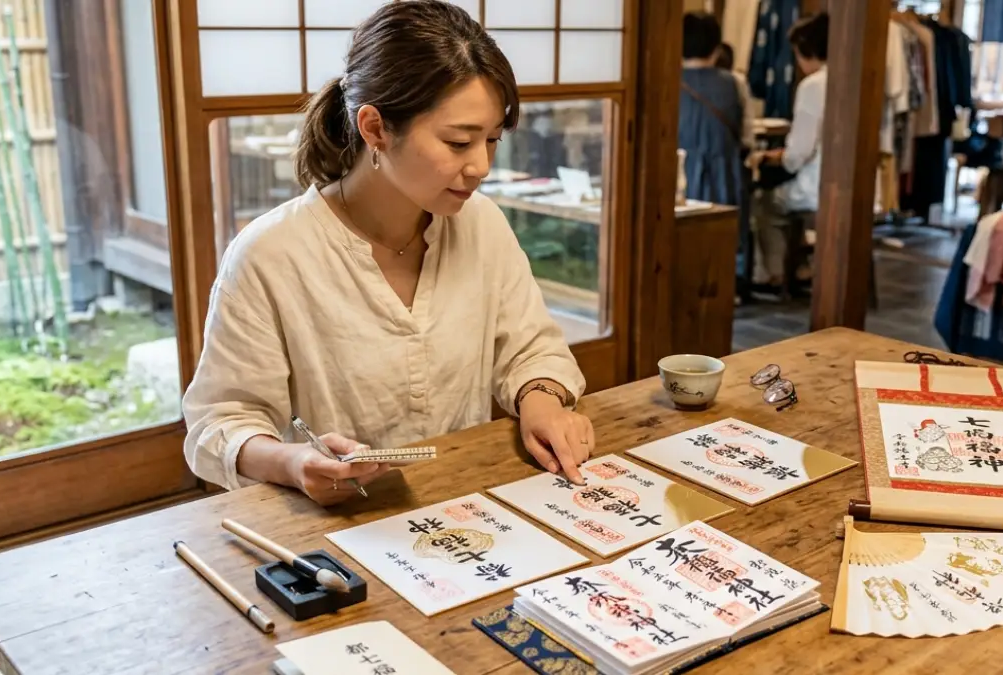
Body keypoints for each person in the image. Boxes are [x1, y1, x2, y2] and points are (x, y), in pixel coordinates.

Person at [181, 0, 594, 506]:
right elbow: (221, 420)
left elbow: (531, 349)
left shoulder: (480, 223)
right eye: (459, 142)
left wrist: (542, 401)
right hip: (333, 528)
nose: (481, 166)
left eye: (491, 140)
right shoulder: (271, 254)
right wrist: (293, 463)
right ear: (375, 128)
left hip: (465, 505)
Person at [749, 12, 827, 292]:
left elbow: (798, 155)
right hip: (856, 187)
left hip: (817, 186)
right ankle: (801, 265)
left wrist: (777, 157)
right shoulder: (855, 79)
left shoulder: (813, 86)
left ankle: (775, 274)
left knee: (766, 204)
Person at [677, 13, 749, 294]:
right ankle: (723, 291)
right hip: (724, 168)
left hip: (680, 167)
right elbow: (747, 135)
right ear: (717, 48)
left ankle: (683, 286)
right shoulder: (734, 82)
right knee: (723, 229)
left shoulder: (667, 81)